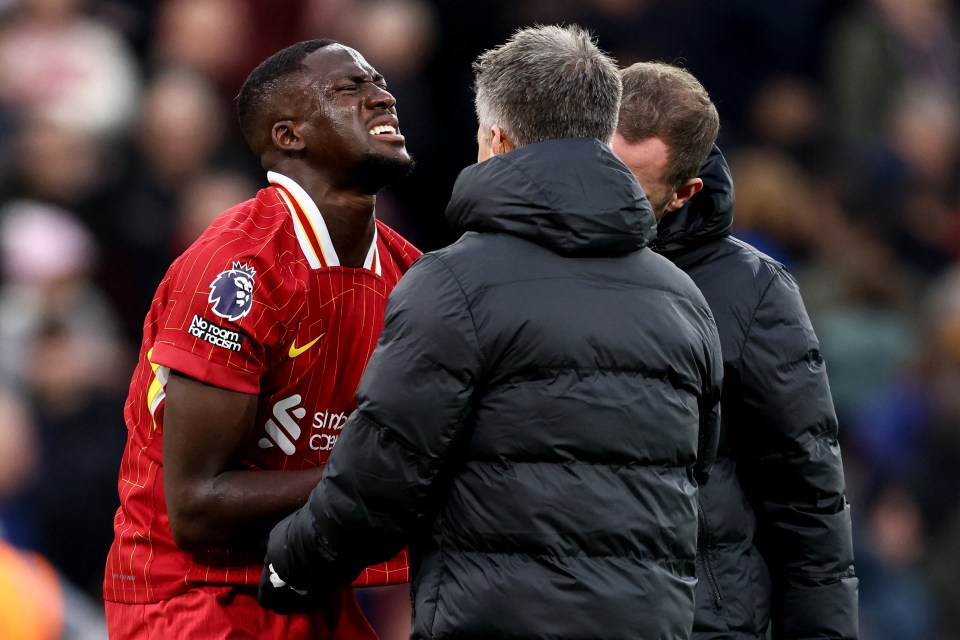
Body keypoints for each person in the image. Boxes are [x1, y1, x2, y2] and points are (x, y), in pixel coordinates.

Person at [258, 24, 724, 640]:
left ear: (496, 139)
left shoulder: (452, 287)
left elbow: (379, 484)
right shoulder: (683, 299)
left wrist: (289, 565)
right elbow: (697, 470)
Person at [102, 39, 421, 639]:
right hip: (194, 596)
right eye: (349, 89)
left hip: (310, 582)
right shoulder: (236, 272)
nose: (382, 97)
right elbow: (195, 506)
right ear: (289, 135)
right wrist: (368, 477)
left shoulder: (412, 276)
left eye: (379, 83)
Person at [611, 61, 859, 639]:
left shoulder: (754, 294)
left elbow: (807, 502)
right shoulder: (526, 262)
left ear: (685, 191)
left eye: (634, 190)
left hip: (697, 619)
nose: (608, 201)